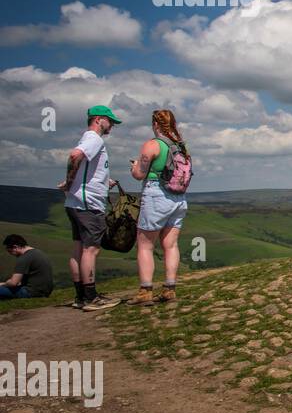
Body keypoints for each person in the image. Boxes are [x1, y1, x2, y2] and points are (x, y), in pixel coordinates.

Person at [57, 105, 122, 312]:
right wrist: (69, 181)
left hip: (75, 203)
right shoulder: (94, 138)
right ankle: (91, 297)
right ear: (99, 119)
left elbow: (84, 167)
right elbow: (75, 156)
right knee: (91, 249)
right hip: (89, 204)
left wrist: (104, 182)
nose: (111, 125)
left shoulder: (87, 138)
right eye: (110, 121)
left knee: (78, 248)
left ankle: (81, 296)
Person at [126, 110, 190, 305]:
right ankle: (169, 288)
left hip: (156, 195)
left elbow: (139, 174)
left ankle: (145, 291)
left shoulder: (153, 145)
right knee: (170, 245)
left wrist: (135, 167)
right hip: (178, 198)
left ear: (155, 124)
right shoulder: (181, 147)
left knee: (145, 245)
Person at [1, 235, 53, 300]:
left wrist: (6, 283)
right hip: (45, 292)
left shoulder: (24, 258)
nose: (11, 254)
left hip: (31, 292)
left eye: (10, 251)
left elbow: (14, 283)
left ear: (15, 247)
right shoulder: (38, 252)